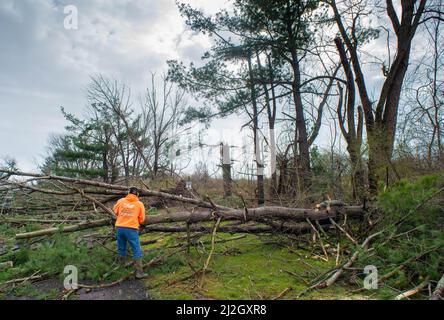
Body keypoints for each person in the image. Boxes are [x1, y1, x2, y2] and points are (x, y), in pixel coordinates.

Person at [112, 186, 146, 279]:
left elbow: (115, 211)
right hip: (131, 228)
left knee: (121, 248)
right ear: (137, 194)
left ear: (128, 192)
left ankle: (120, 270)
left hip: (119, 228)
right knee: (136, 249)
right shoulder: (139, 204)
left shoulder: (121, 201)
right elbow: (142, 219)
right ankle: (139, 273)